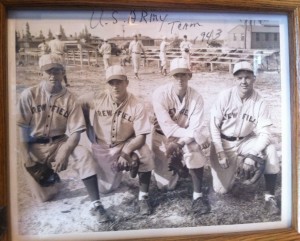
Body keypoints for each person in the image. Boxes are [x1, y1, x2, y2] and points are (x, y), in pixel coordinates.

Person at [17, 54, 110, 223]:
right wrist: (27, 159)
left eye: (57, 71)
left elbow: (75, 131)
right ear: (41, 74)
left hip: (60, 142)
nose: (53, 75)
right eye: (48, 71)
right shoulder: (28, 94)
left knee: (83, 155)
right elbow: (22, 129)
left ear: (63, 73)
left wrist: (66, 151)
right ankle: (55, 183)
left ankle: (96, 204)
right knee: (45, 197)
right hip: (34, 146)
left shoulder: (70, 98)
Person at [80, 65, 155, 215]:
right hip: (103, 147)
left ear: (126, 82)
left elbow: (141, 136)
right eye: (111, 83)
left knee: (145, 153)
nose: (115, 86)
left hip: (125, 144)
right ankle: (122, 170)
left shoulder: (137, 104)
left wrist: (126, 152)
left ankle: (143, 197)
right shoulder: (96, 98)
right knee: (107, 189)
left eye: (119, 82)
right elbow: (77, 104)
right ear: (106, 84)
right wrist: (87, 126)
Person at [209, 61, 280, 215]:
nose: (244, 81)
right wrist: (220, 151)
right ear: (235, 79)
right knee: (221, 190)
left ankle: (270, 197)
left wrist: (252, 154)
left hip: (245, 141)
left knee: (271, 149)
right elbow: (213, 126)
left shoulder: (260, 101)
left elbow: (265, 133)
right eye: (240, 77)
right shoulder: (225, 96)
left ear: (254, 78)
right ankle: (234, 168)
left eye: (247, 77)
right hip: (224, 143)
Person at [151, 57, 210, 215]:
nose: (180, 79)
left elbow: (195, 126)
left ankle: (197, 197)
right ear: (171, 76)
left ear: (189, 76)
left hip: (184, 138)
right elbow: (169, 128)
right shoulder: (160, 94)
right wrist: (196, 134)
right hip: (161, 137)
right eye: (176, 75)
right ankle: (181, 166)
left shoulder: (196, 97)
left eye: (183, 74)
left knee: (194, 147)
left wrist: (182, 142)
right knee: (166, 187)